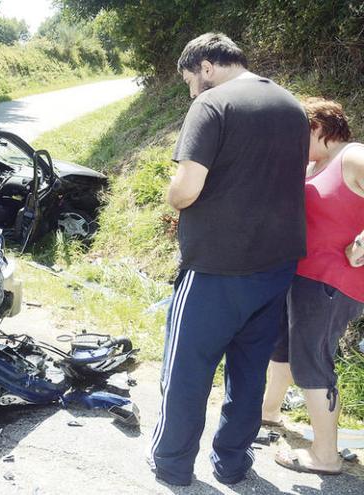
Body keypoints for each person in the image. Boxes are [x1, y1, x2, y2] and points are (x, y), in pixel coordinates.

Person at [149, 33, 309, 486]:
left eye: (189, 81)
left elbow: (185, 190)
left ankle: (172, 464)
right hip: (276, 265)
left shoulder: (212, 104)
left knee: (186, 369)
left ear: (205, 66)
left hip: (217, 267)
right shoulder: (291, 105)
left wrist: (170, 191)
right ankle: (233, 463)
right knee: (249, 370)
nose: (191, 92)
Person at [261, 97, 364, 475]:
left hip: (334, 280)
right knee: (283, 348)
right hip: (301, 275)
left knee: (311, 362)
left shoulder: (353, 156)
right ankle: (269, 414)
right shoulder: (312, 164)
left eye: (297, 133)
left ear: (318, 128)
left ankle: (326, 457)